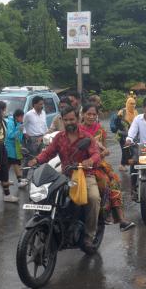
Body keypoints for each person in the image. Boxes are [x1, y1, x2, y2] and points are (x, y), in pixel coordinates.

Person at [28, 106, 101, 249]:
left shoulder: (86, 137)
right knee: (46, 195)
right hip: (65, 175)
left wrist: (90, 161)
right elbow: (48, 153)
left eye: (72, 119)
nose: (69, 122)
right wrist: (36, 160)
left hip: (84, 174)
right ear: (62, 120)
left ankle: (89, 235)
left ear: (78, 119)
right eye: (66, 120)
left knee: (93, 198)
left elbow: (96, 154)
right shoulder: (59, 137)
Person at [79, 104, 135, 232]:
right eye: (89, 114)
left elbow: (104, 149)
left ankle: (120, 219)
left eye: (94, 114)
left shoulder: (100, 130)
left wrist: (102, 153)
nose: (91, 117)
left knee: (113, 183)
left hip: (97, 164)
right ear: (83, 114)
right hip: (79, 165)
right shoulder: (77, 130)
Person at [22, 96, 47, 177]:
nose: (42, 106)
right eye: (40, 104)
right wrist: (25, 133)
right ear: (34, 104)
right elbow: (23, 126)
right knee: (29, 159)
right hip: (32, 139)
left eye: (42, 104)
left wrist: (46, 135)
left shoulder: (43, 113)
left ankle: (37, 178)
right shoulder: (29, 114)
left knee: (41, 158)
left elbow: (45, 125)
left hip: (42, 138)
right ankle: (24, 178)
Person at [5, 109, 27, 188]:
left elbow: (19, 136)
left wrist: (20, 143)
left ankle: (4, 179)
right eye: (21, 117)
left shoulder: (19, 122)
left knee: (9, 164)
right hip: (10, 146)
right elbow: (10, 135)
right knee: (15, 163)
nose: (22, 118)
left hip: (16, 145)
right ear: (16, 117)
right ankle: (19, 180)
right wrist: (19, 130)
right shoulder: (11, 123)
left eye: (22, 117)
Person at [115, 97, 138, 171]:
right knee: (125, 150)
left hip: (132, 135)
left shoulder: (135, 112)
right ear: (128, 103)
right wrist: (124, 128)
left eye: (134, 104)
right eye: (131, 103)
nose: (133, 105)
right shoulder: (122, 112)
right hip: (122, 135)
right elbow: (117, 123)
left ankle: (123, 165)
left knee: (132, 150)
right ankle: (123, 165)